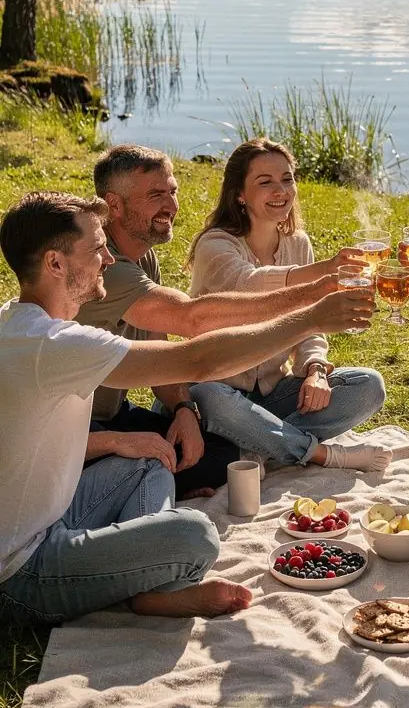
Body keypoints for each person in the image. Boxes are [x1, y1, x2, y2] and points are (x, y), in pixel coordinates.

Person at [0, 191, 374, 626]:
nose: (108, 258)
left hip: (50, 519)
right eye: (97, 248)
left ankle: (146, 581)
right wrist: (310, 317)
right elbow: (198, 359)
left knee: (150, 455)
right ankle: (152, 590)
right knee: (194, 533)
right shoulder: (55, 345)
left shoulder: (20, 322)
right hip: (21, 571)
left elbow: (23, 440)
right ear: (56, 264)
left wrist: (117, 440)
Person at [78, 144, 371, 499]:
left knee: (226, 456)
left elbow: (159, 351)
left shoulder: (145, 258)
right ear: (114, 204)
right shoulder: (111, 265)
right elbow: (196, 316)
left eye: (173, 192)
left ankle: (260, 441)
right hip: (83, 425)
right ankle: (307, 450)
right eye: (156, 195)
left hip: (124, 411)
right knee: (207, 415)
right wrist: (317, 290)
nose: (171, 205)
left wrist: (183, 408)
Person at [188, 139, 388, 472]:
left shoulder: (298, 244)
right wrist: (323, 270)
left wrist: (315, 370)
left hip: (272, 395)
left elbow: (311, 322)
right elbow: (250, 284)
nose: (280, 190)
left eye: (287, 178)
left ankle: (260, 450)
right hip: (219, 391)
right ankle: (322, 455)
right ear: (240, 194)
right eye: (265, 182)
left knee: (368, 386)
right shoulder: (215, 245)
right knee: (212, 399)